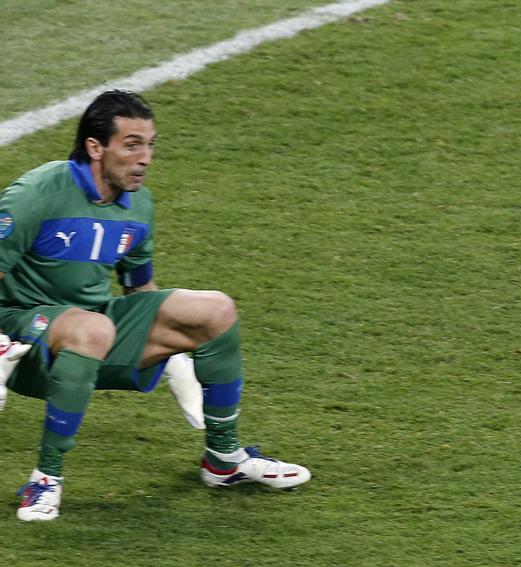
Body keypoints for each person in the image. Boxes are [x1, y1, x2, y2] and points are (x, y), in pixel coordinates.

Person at [0, 89, 310, 522]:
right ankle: (45, 479)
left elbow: (140, 292)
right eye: (131, 145)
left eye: (150, 145)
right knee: (94, 328)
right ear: (95, 147)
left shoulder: (138, 206)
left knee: (215, 310)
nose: (145, 157)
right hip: (20, 337)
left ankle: (223, 460)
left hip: (91, 331)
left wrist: (174, 354)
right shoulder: (37, 193)